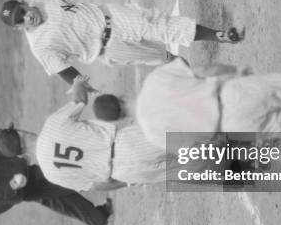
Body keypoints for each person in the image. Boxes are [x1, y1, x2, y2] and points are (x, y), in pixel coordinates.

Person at [0, 0, 245, 91]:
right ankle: (200, 85)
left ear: (24, 2)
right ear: (19, 29)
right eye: (21, 20)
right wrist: (82, 86)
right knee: (167, 58)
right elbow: (65, 70)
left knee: (160, 24)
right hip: (110, 49)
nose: (26, 16)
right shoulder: (41, 48)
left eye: (22, 10)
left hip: (113, 16)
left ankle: (220, 35)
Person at [93, 59, 281, 151]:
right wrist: (237, 73)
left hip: (233, 128)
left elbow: (200, 147)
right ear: (118, 96)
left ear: (119, 121)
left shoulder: (153, 136)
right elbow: (207, 71)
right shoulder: (154, 81)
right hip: (231, 95)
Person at [34, 77, 175, 192]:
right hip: (128, 144)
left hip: (123, 172)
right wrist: (78, 83)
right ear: (20, 133)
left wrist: (129, 181)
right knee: (188, 135)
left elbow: (96, 186)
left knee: (189, 168)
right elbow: (79, 101)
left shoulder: (51, 175)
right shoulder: (50, 128)